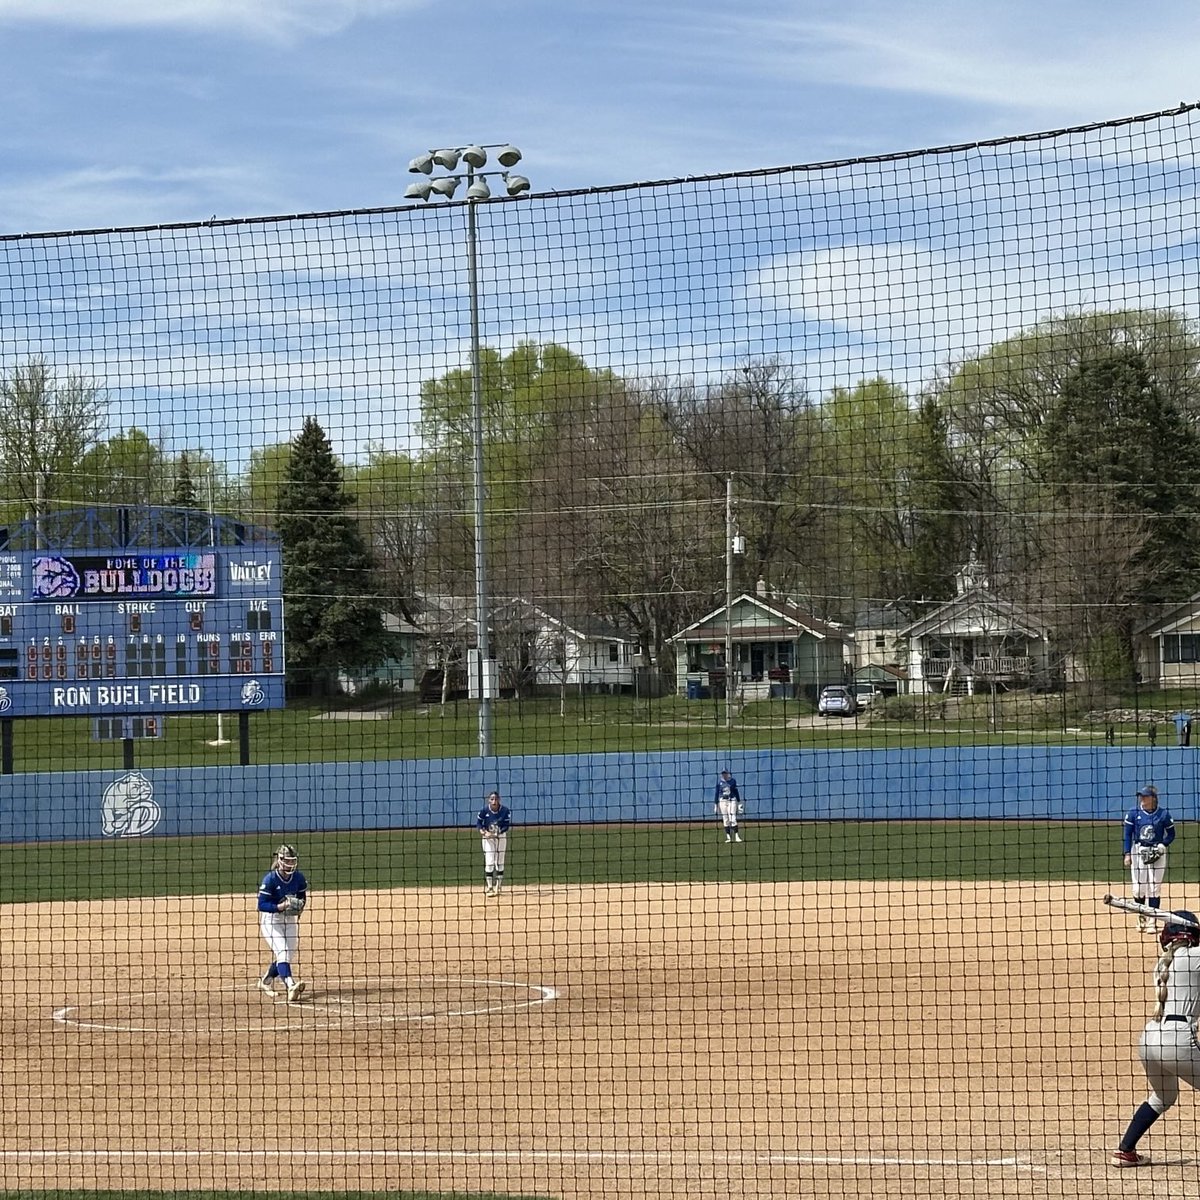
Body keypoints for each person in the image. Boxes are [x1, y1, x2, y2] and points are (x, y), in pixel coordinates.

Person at [1112, 910, 1200, 1167]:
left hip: (1150, 1038)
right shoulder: (1194, 958)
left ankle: (1125, 1150)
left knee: (1163, 1097)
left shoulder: (1163, 964)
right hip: (1178, 1040)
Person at [256, 843, 308, 1003]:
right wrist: (280, 906)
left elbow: (302, 897)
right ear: (279, 860)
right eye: (288, 861)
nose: (290, 864)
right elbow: (261, 904)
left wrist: (299, 908)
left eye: (293, 861)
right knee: (283, 951)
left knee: (287, 954)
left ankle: (265, 981)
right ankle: (290, 985)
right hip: (271, 921)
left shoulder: (298, 878)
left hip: (289, 920)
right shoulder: (270, 879)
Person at [1123, 786, 1176, 934]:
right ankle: (1141, 918)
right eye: (1141, 796)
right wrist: (1127, 853)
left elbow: (1171, 834)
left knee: (1154, 887)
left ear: (1153, 798)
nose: (1142, 799)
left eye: (1145, 796)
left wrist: (1162, 845)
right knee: (1138, 888)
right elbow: (1127, 835)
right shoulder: (1133, 812)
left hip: (1157, 853)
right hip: (1138, 851)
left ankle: (1152, 921)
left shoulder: (1163, 814)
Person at [476, 790, 512, 897]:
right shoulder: (484, 810)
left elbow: (506, 825)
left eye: (496, 799)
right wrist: (483, 831)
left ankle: (498, 886)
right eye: (492, 799)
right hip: (488, 838)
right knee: (489, 861)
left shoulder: (505, 810)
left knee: (500, 861)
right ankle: (490, 887)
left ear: (499, 800)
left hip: (500, 837)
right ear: (489, 800)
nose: (494, 801)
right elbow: (479, 823)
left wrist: (498, 832)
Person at [713, 769, 744, 843]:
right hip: (722, 801)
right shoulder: (719, 783)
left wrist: (739, 802)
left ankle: (736, 836)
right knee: (725, 819)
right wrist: (715, 804)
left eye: (725, 773)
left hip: (731, 800)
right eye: (723, 773)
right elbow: (717, 794)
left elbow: (736, 791)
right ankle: (728, 837)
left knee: (732, 818)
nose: (724, 775)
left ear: (728, 773)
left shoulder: (732, 781)